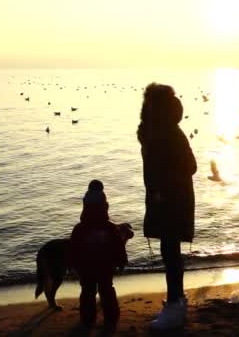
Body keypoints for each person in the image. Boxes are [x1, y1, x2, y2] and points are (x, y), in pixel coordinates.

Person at [137, 83, 197, 329]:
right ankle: (176, 301)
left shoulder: (170, 133)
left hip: (173, 200)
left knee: (170, 253)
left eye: (151, 101)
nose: (146, 104)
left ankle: (175, 306)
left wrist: (164, 189)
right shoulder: (154, 131)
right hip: (163, 198)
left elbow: (190, 166)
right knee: (168, 251)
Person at [69, 180, 128, 331]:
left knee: (88, 291)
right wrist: (122, 261)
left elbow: (73, 248)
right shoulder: (110, 228)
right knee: (107, 290)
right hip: (105, 265)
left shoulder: (80, 229)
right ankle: (111, 319)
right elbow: (118, 246)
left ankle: (88, 320)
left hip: (86, 266)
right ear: (105, 207)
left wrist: (72, 265)